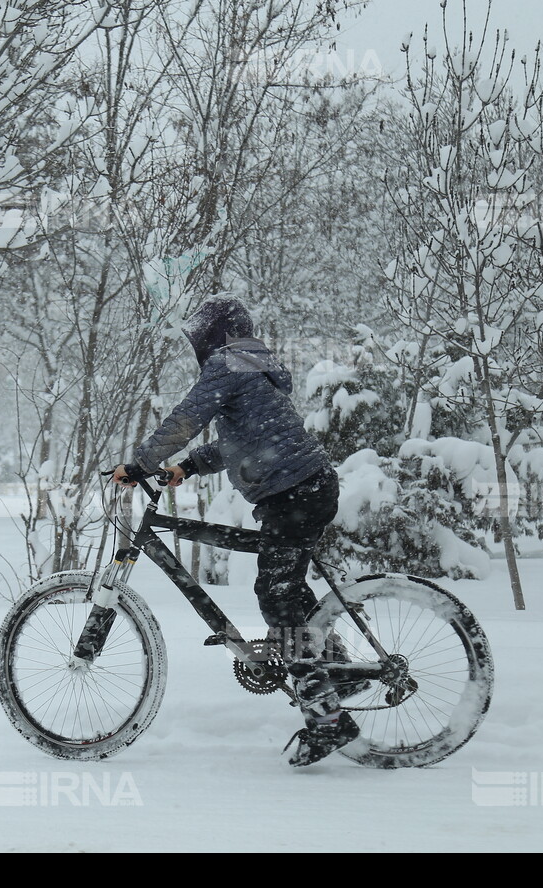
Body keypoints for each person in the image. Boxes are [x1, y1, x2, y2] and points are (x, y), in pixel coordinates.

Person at [112, 295, 353, 766]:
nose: (199, 344)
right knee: (287, 588)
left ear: (215, 335)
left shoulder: (227, 363)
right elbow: (248, 439)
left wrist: (140, 463)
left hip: (294, 493)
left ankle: (328, 719)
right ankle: (335, 662)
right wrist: (189, 465)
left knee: (275, 595)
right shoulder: (250, 366)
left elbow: (185, 418)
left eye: (201, 335)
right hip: (301, 489)